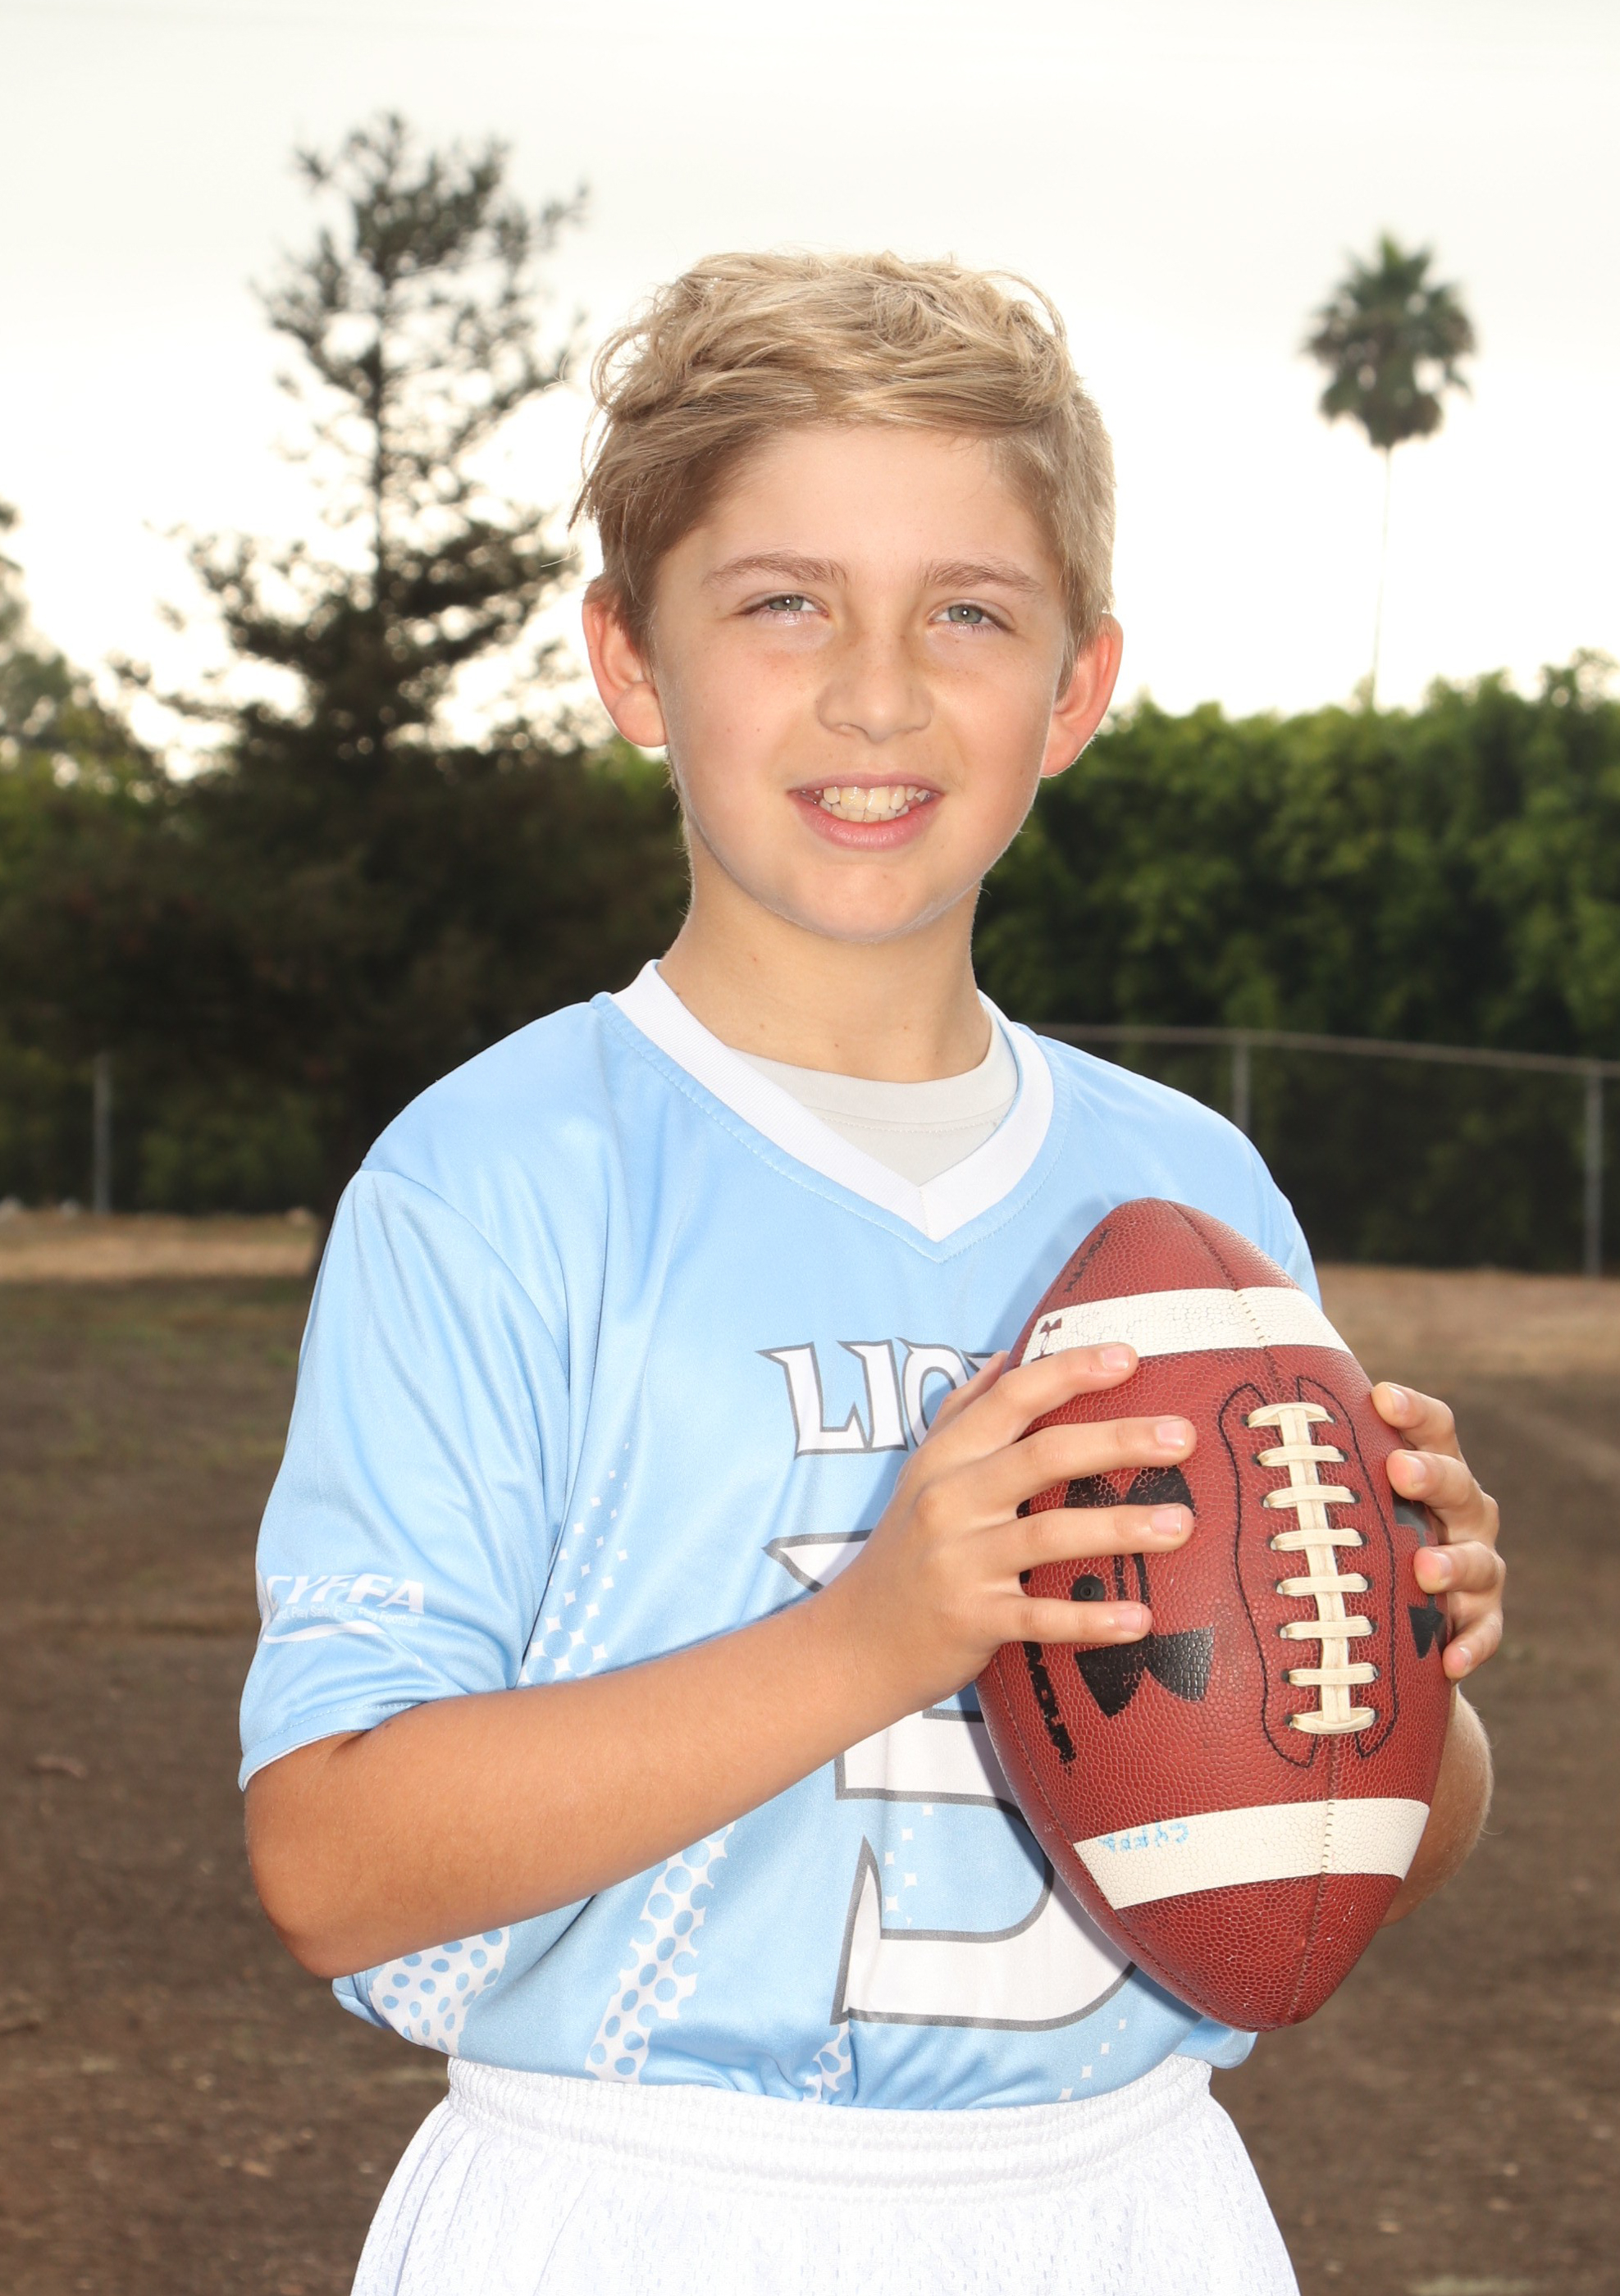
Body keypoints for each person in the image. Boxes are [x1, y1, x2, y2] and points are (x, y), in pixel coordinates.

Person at [240, 253, 1504, 2296]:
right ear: (630, 662)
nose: (879, 689)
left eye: (967, 612)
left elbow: (1347, 1845)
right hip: (637, 2209)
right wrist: (874, 1634)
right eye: (783, 601)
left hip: (1126, 2209)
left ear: (1074, 689)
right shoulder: (497, 1179)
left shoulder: (1193, 1196)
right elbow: (328, 1858)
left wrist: (1393, 1659)